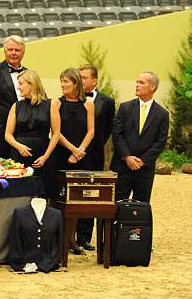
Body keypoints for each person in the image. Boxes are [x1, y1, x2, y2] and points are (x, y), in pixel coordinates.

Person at [51, 68, 94, 254]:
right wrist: (72, 150)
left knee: (75, 199)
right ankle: (56, 240)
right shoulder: (56, 103)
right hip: (60, 155)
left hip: (81, 158)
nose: (62, 85)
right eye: (61, 81)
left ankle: (71, 240)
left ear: (76, 84)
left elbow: (91, 131)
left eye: (66, 82)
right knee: (57, 199)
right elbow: (56, 133)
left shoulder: (89, 104)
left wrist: (79, 151)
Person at [111, 72, 169, 203]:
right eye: (137, 82)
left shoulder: (162, 114)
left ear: (152, 87)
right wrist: (127, 157)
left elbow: (160, 142)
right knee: (117, 205)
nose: (136, 85)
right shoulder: (125, 108)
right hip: (122, 167)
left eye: (141, 82)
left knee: (140, 208)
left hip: (144, 170)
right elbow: (117, 134)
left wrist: (142, 161)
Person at [77, 64, 115, 251]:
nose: (81, 80)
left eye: (84, 77)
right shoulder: (69, 98)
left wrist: (94, 145)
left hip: (94, 155)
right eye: (79, 77)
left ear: (94, 81)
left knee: (89, 194)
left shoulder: (107, 102)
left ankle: (84, 237)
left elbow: (107, 129)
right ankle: (68, 237)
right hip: (71, 154)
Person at [5, 70, 60, 198]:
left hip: (43, 155)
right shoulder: (16, 106)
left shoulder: (51, 104)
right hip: (19, 155)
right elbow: (7, 134)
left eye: (21, 83)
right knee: (18, 193)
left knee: (43, 192)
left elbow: (56, 133)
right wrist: (19, 147)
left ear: (32, 84)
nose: (18, 87)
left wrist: (45, 156)